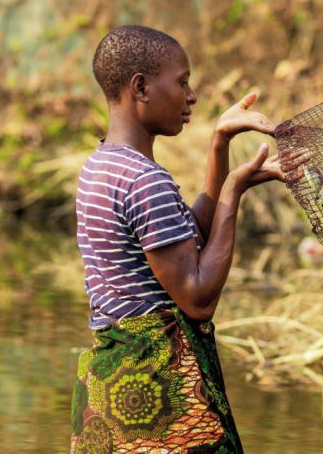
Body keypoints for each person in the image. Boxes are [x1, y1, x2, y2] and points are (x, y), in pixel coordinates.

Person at [70, 25, 306, 453]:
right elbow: (197, 298)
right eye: (181, 82)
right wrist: (233, 190)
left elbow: (188, 241)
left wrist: (220, 145)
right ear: (140, 87)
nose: (191, 95)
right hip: (160, 396)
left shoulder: (100, 166)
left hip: (112, 388)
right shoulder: (145, 181)